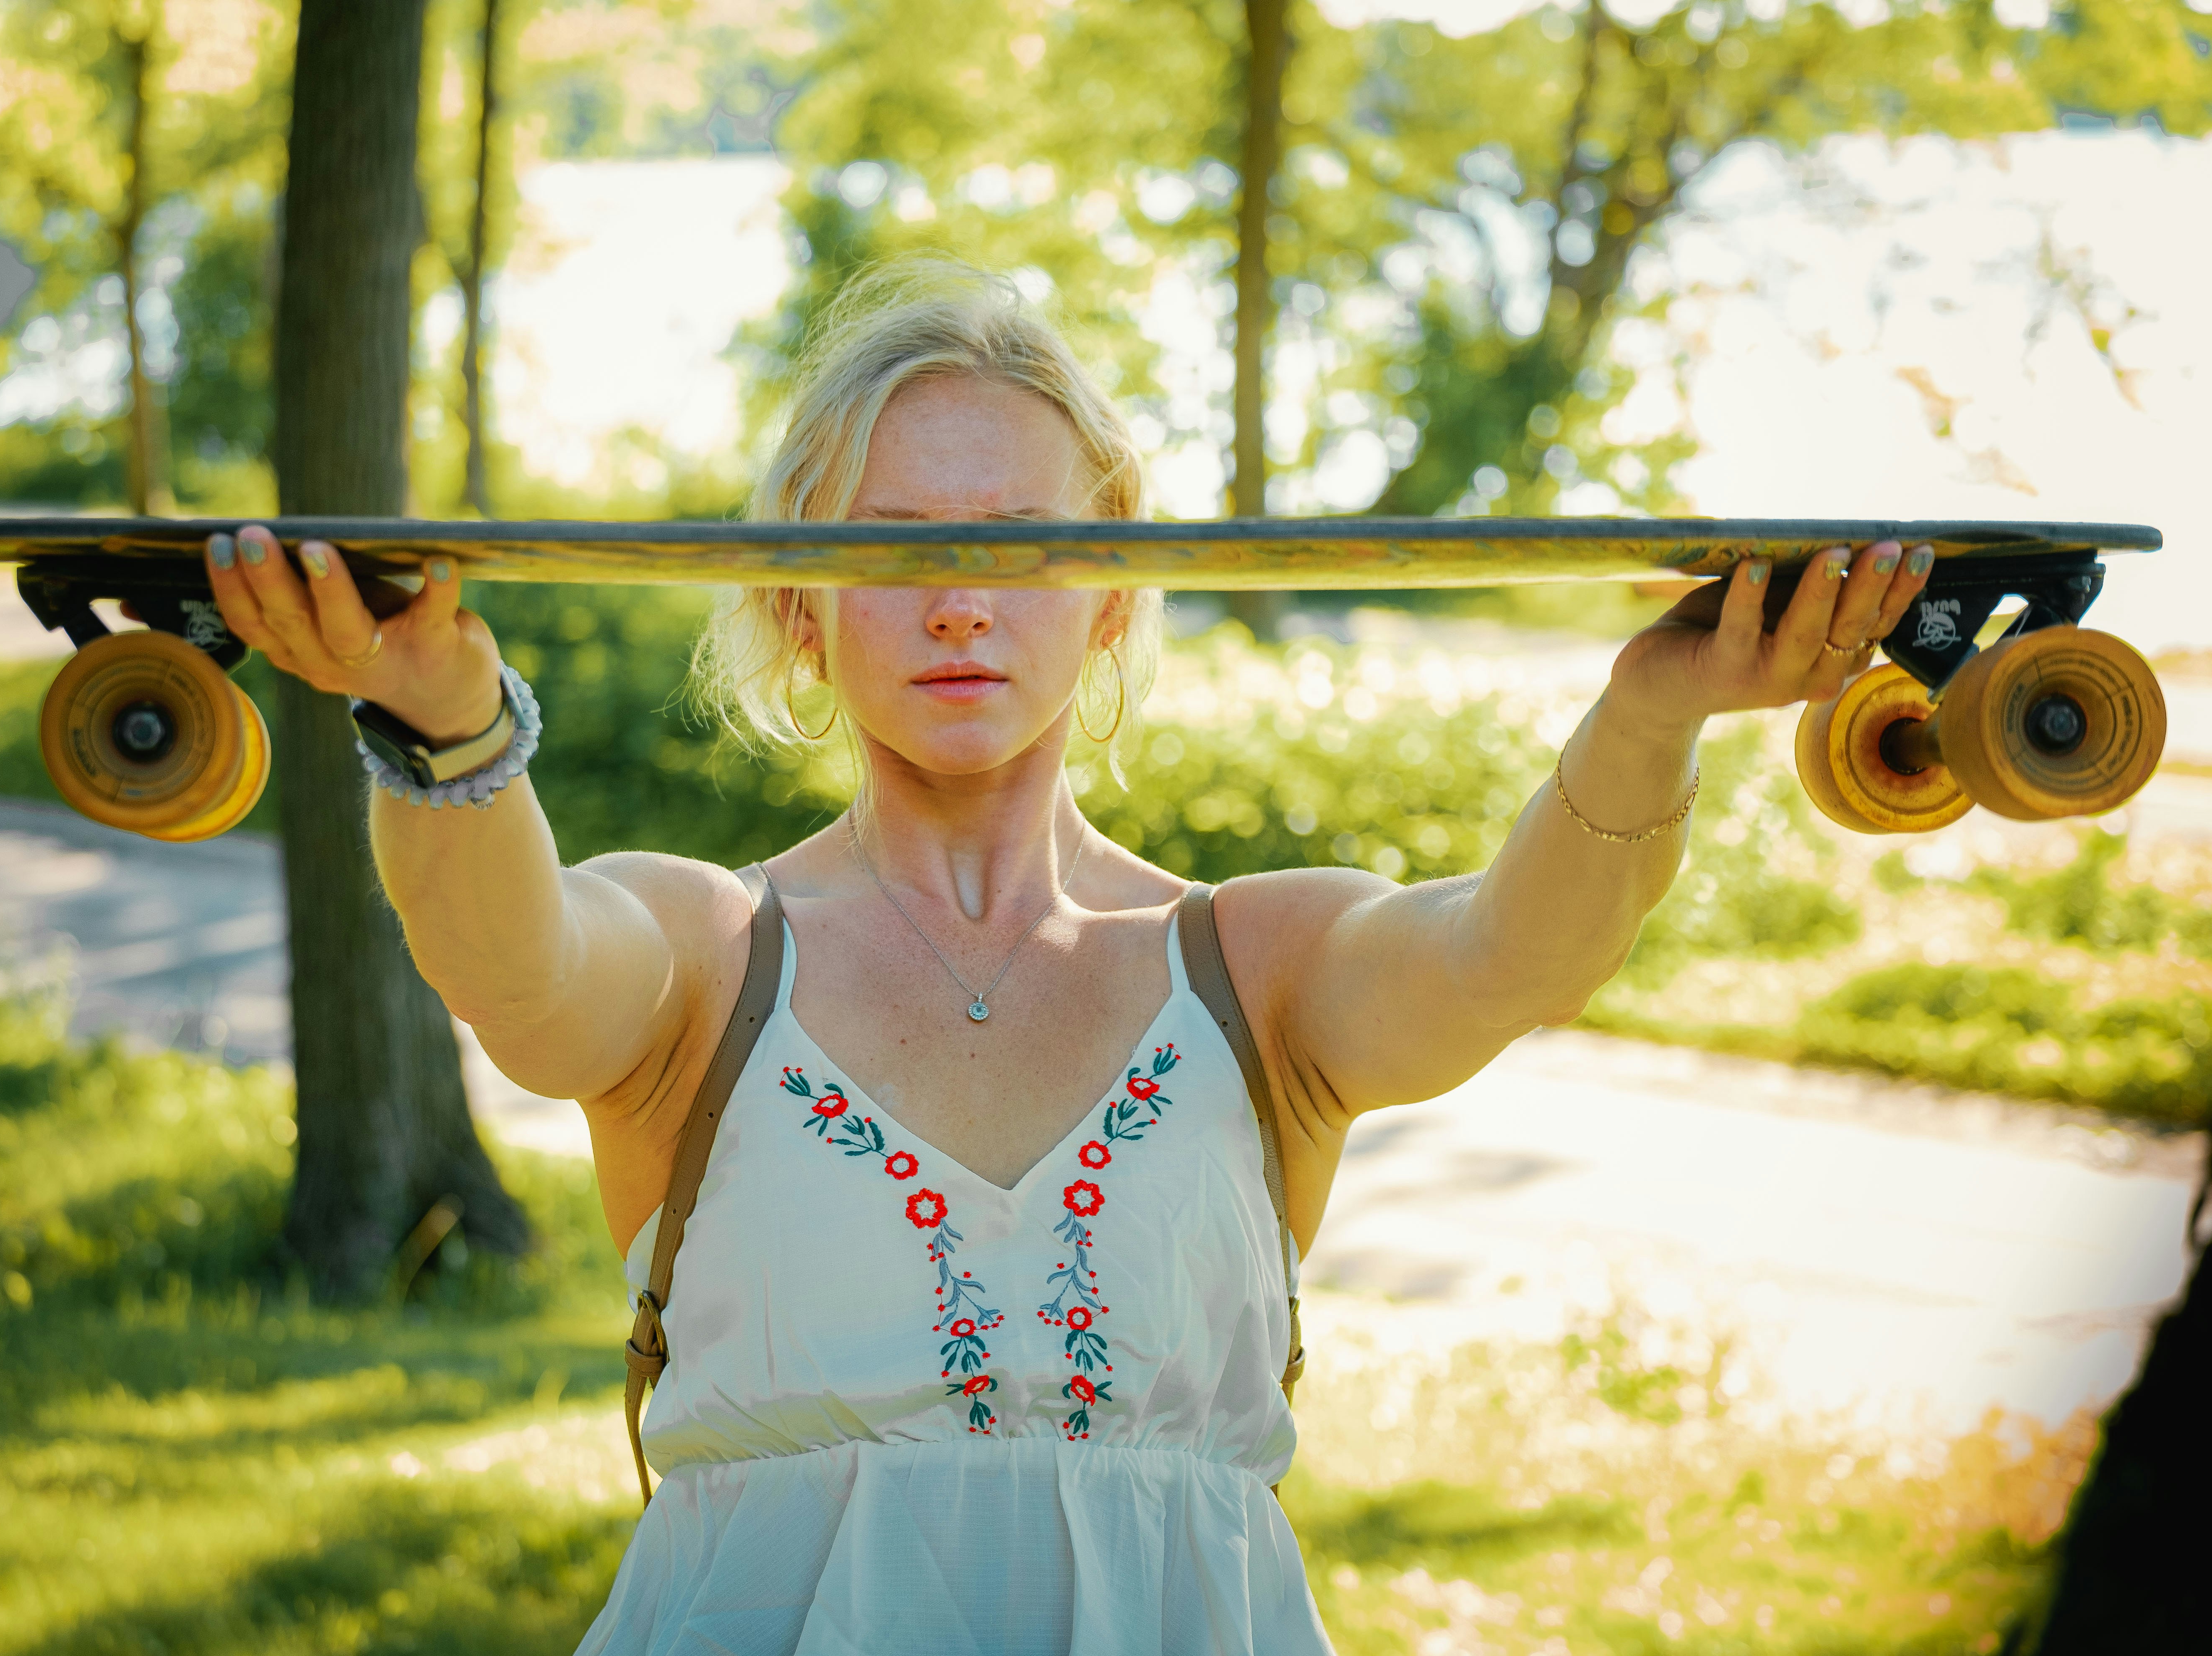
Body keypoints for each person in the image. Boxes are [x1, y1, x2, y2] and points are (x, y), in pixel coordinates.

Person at [200, 262, 1934, 1653]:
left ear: (1112, 591)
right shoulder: (706, 950)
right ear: (800, 604)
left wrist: (1648, 714)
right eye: (892, 551)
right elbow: (510, 963)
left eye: (1019, 547)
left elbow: (1505, 956)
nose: (960, 604)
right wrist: (445, 729)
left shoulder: (1255, 965)